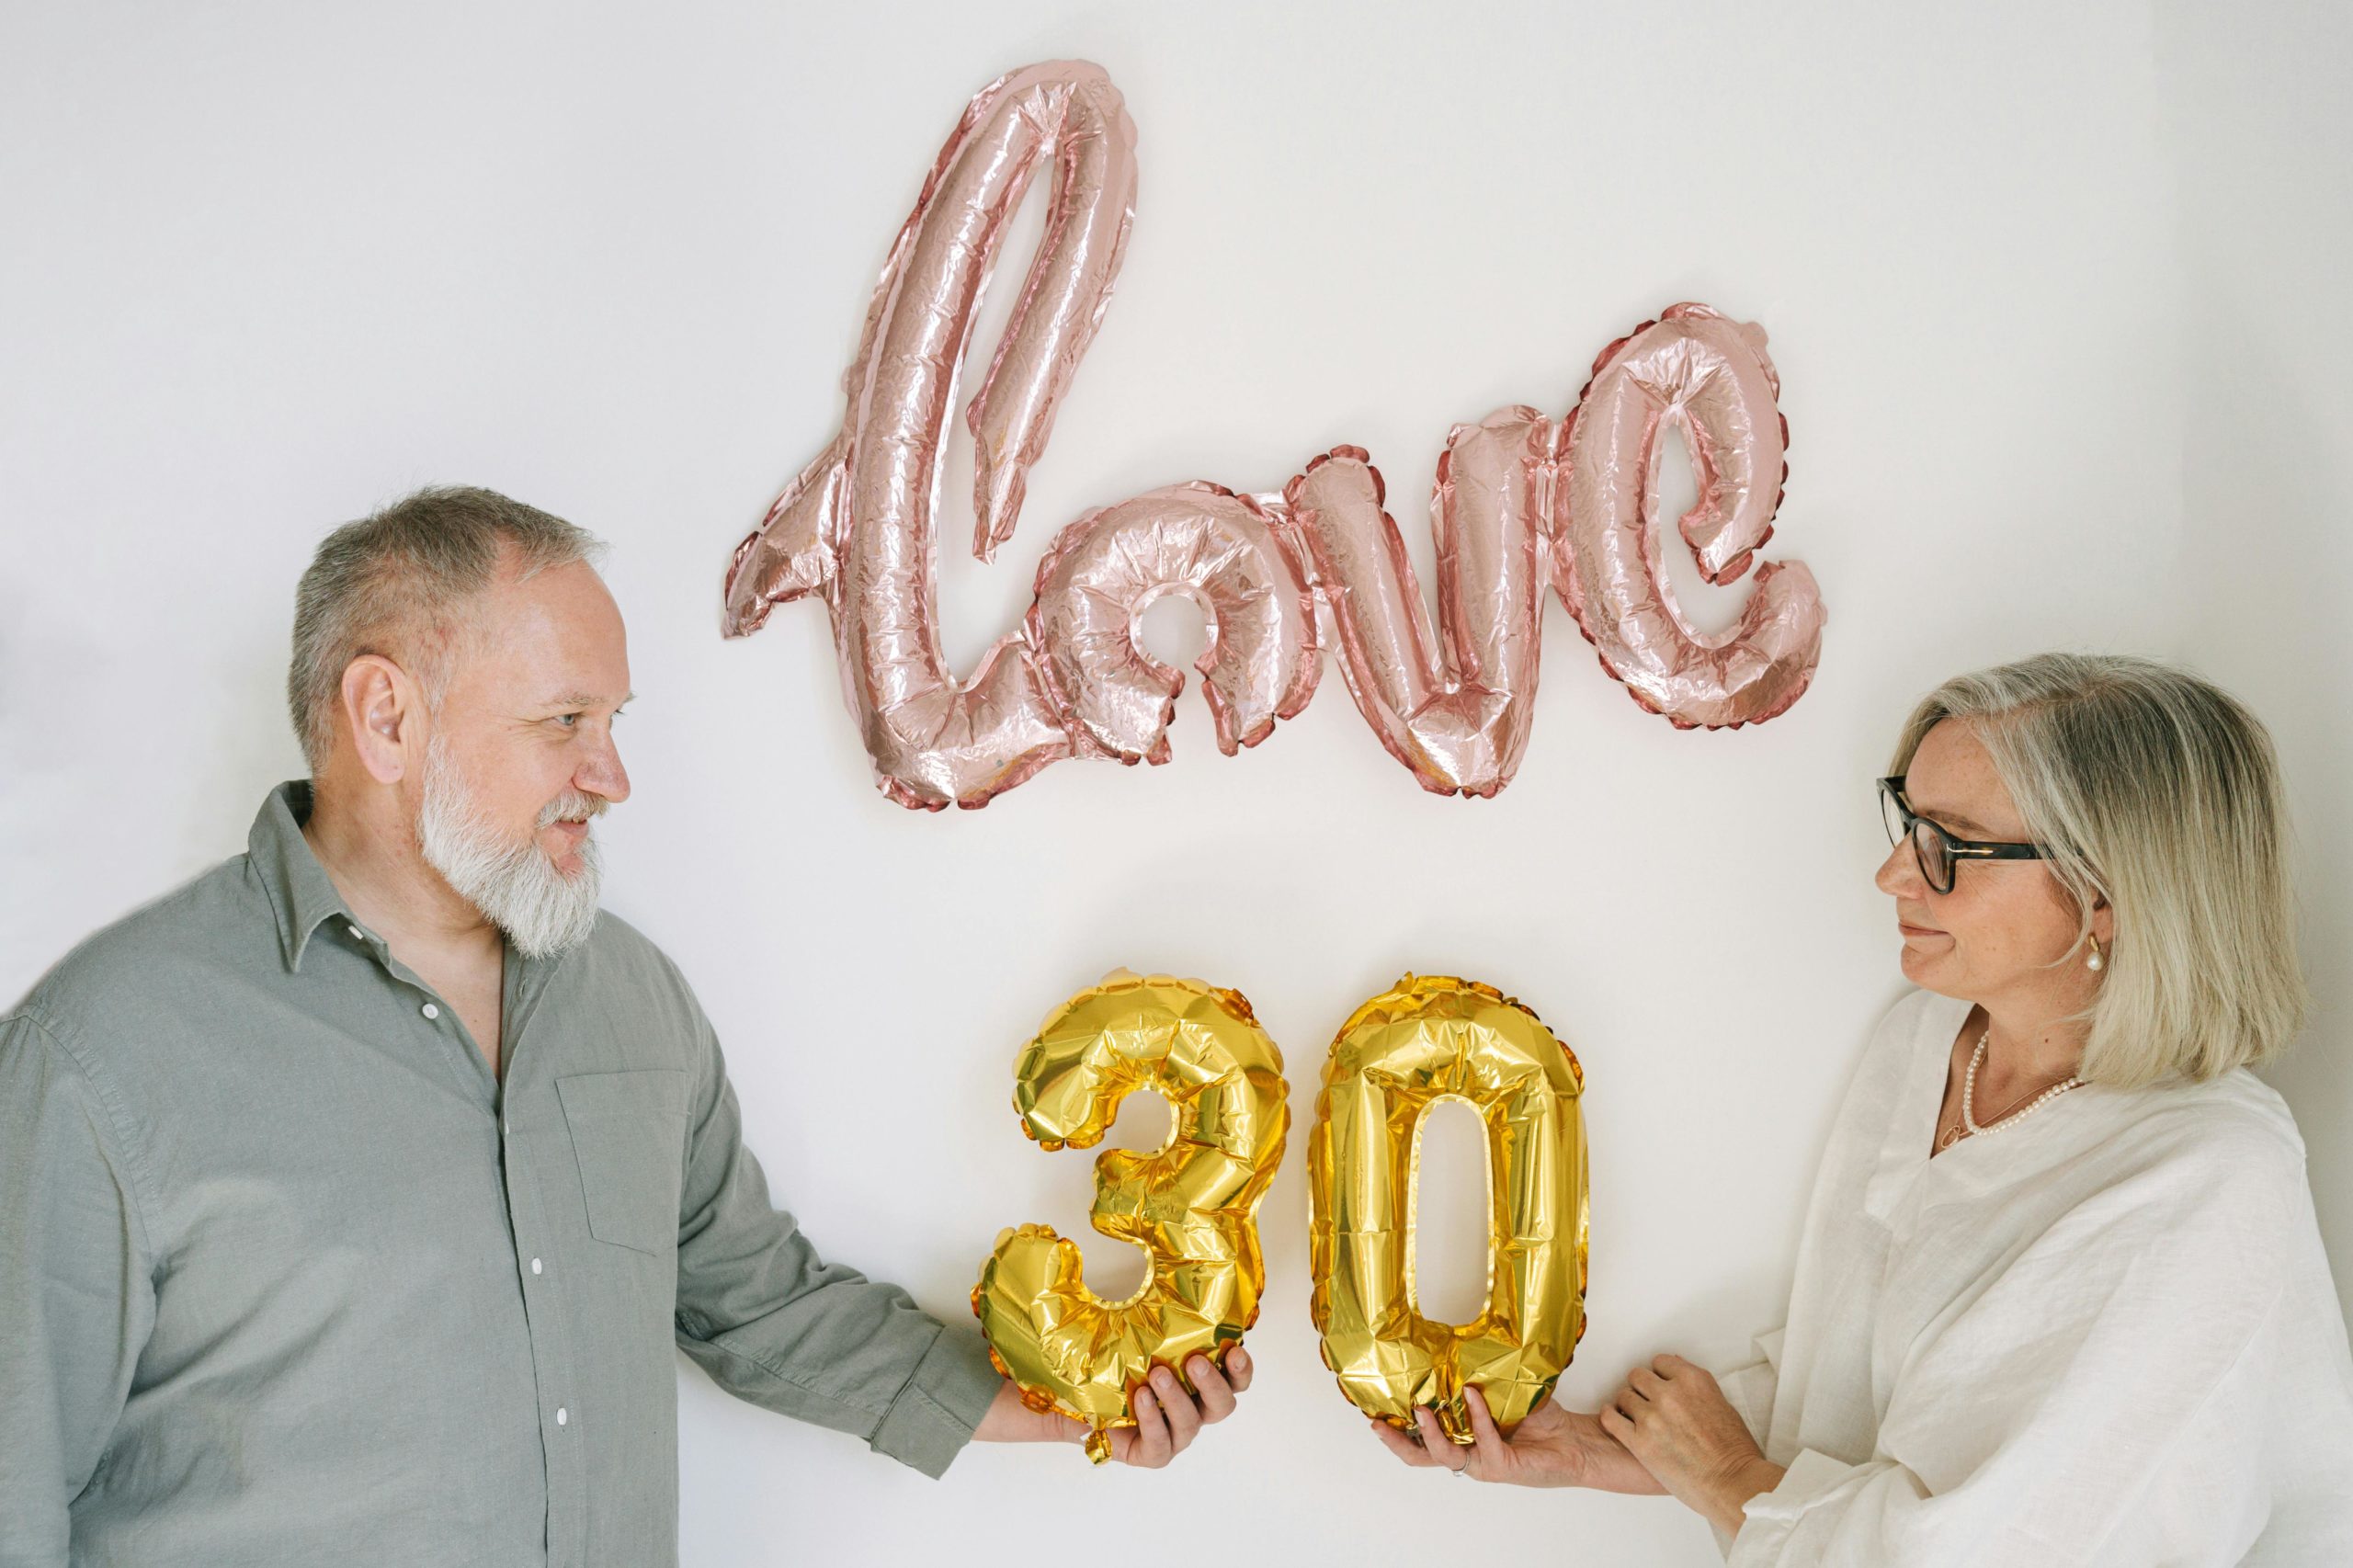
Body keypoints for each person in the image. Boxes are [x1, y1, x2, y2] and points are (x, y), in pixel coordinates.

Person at [0, 488, 1251, 1567]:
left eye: (615, 723)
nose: (612, 776)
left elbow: (754, 1304)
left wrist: (1078, 1392)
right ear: (385, 717)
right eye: (564, 722)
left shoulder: (630, 1000)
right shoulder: (103, 1053)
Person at [1372, 653, 2353, 1564]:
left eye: (1951, 845)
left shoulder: (2212, 1179)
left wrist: (1723, 1474)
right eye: (1907, 822)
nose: (1893, 874)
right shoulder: (1925, 1041)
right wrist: (1588, 1451)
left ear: (2106, 893)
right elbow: (1863, 1395)